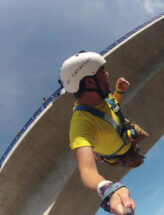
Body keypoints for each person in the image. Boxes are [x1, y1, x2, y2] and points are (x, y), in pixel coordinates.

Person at [60, 51, 149, 215]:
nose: (108, 75)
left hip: (125, 131)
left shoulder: (104, 97)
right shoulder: (81, 124)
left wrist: (119, 92)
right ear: (89, 81)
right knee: (136, 162)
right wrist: (108, 189)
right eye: (102, 72)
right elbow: (87, 172)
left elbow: (112, 105)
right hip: (121, 153)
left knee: (144, 135)